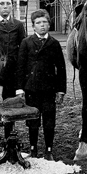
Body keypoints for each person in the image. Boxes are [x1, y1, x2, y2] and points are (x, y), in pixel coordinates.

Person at [16, 9, 67, 161]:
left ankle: (49, 150)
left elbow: (61, 69)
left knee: (49, 120)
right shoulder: (26, 43)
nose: (42, 25)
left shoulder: (54, 44)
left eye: (45, 22)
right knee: (33, 119)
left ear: (49, 24)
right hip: (31, 88)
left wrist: (60, 90)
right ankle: (33, 148)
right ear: (33, 26)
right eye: (38, 23)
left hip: (49, 89)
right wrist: (20, 88)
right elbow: (20, 66)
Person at [0, 0, 26, 138]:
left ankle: (9, 140)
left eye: (8, 4)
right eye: (1, 4)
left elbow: (23, 48)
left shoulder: (18, 25)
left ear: (12, 7)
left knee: (9, 105)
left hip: (12, 72)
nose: (5, 7)